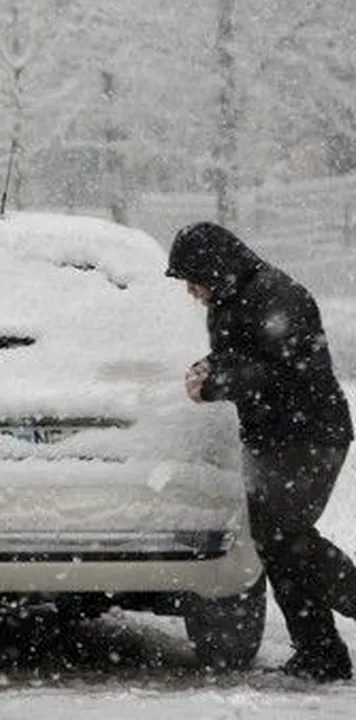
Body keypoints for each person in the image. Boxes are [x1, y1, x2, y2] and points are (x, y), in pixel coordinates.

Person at [167, 221, 356, 681]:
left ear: (215, 268)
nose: (192, 292)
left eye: (193, 280)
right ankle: (320, 652)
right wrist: (208, 367)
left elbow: (282, 373)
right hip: (277, 438)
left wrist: (217, 382)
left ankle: (324, 646)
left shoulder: (276, 296)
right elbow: (241, 356)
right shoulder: (232, 297)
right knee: (277, 543)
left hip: (308, 437)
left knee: (284, 538)